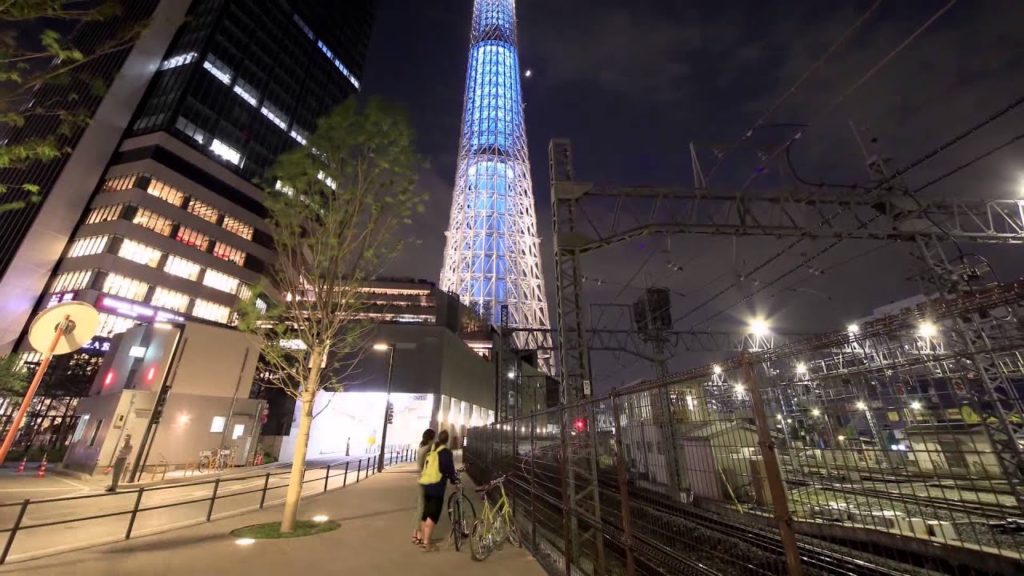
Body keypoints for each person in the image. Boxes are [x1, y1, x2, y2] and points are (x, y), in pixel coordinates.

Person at [418, 430, 457, 551]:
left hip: (426, 484)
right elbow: (449, 470)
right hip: (437, 487)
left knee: (425, 513)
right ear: (447, 439)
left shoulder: (432, 449)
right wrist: (453, 479)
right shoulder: (445, 453)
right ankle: (427, 543)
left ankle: (424, 538)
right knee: (433, 515)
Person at [412, 428, 435, 546]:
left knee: (420, 506)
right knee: (423, 508)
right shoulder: (428, 449)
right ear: (431, 438)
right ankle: (420, 534)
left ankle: (415, 533)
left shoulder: (421, 447)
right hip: (425, 480)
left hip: (420, 479)